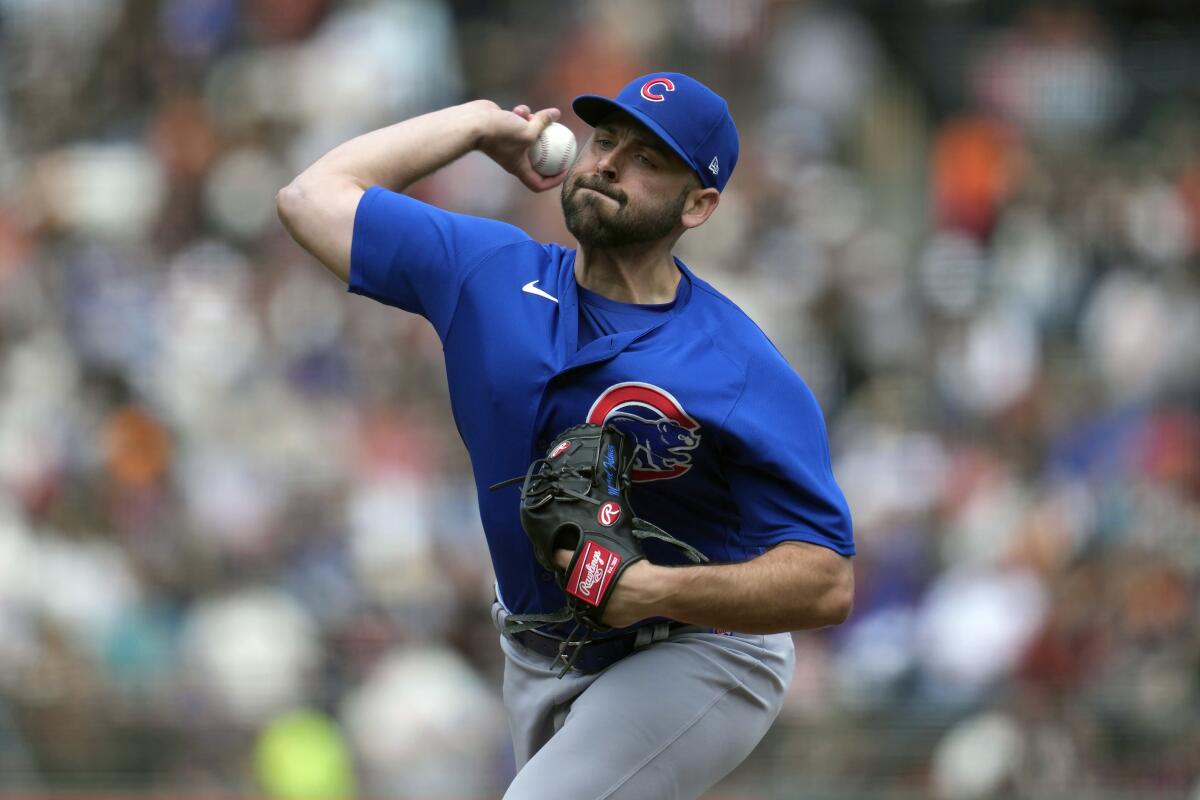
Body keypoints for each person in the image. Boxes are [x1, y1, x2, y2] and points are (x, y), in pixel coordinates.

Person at [277, 72, 855, 800]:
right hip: (536, 648)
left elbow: (826, 580)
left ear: (699, 204)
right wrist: (477, 125)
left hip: (704, 647)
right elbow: (309, 198)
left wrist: (650, 589)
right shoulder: (488, 273)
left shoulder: (737, 366)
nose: (609, 162)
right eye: (604, 140)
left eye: (648, 158)